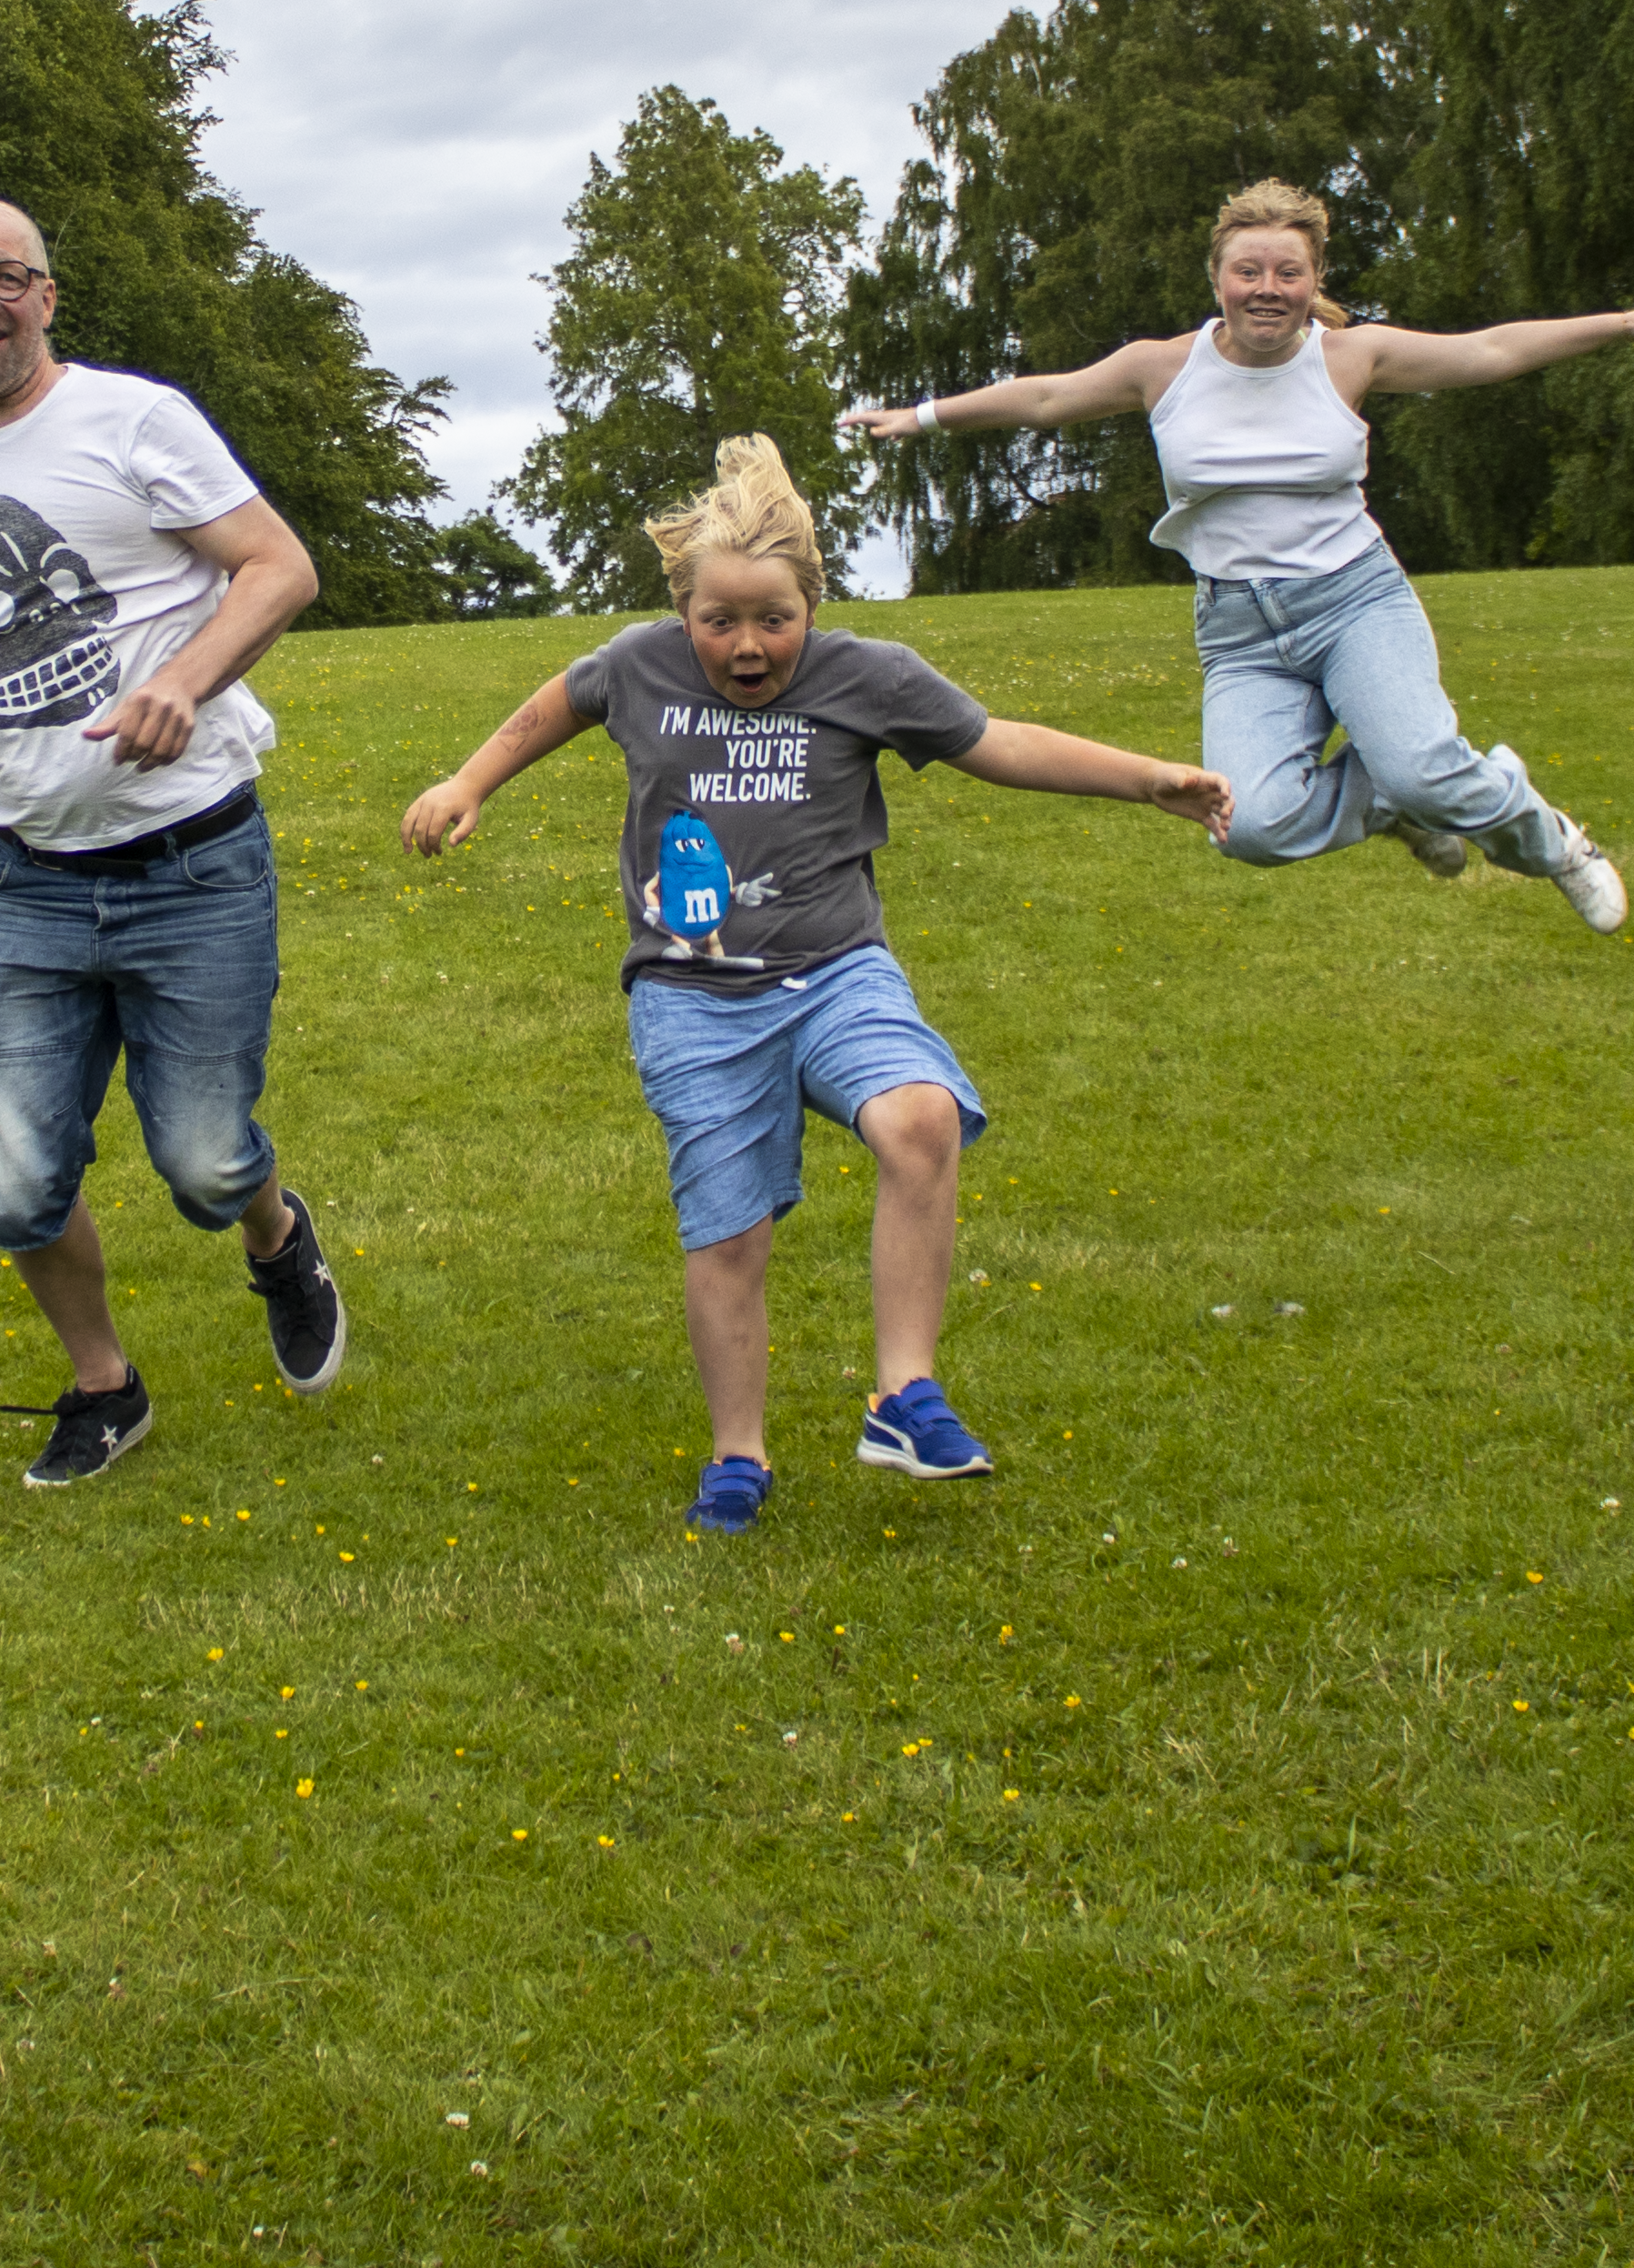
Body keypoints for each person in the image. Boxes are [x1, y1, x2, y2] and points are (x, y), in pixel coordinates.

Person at [398, 436, 1231, 1534]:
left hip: (836, 971)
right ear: (682, 610)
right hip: (690, 995)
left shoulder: (867, 678)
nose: (746, 646)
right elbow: (552, 707)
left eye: (772, 621)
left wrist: (1148, 781)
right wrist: (468, 779)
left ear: (811, 606)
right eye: (719, 622)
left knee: (920, 1118)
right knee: (729, 1232)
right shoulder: (638, 664)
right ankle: (737, 1456)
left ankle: (902, 1395)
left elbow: (1002, 744)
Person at [0, 198, 349, 1489]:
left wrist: (183, 683)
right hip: (27, 877)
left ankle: (271, 1233)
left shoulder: (133, 420)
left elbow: (278, 569)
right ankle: (104, 1385)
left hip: (192, 857)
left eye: (3, 277)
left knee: (202, 1163)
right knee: (16, 1181)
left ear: (46, 296)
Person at [846, 177, 1634, 932]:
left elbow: (1490, 348)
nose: (1266, 290)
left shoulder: (1352, 355)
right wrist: (917, 418)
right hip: (1240, 632)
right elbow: (1043, 398)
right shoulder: (1163, 367)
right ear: (1218, 278)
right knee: (1248, 825)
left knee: (1431, 771)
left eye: (1287, 273)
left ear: (1313, 281)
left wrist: (1621, 326)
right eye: (1247, 272)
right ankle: (1395, 803)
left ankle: (1553, 844)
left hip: (1355, 601)